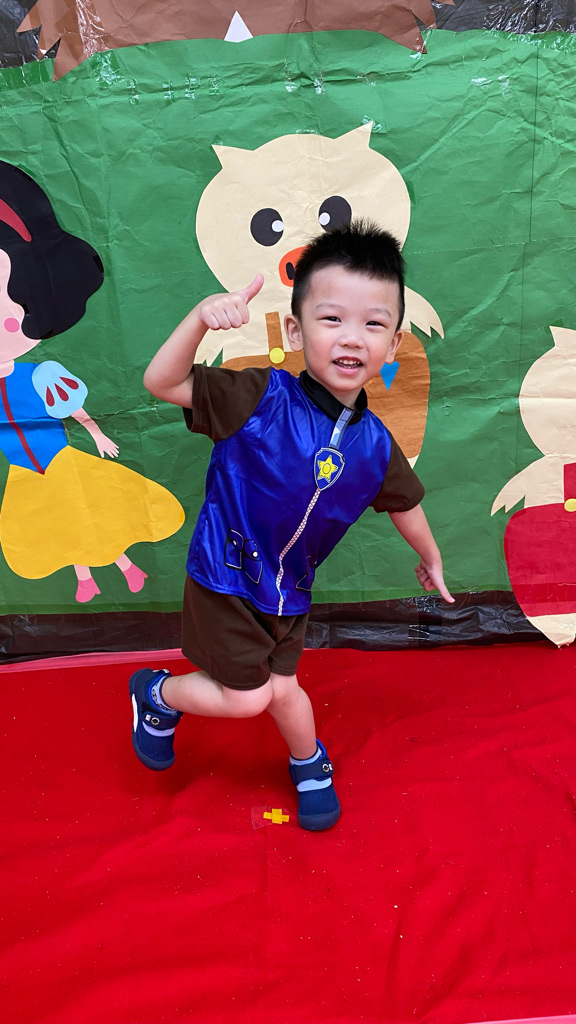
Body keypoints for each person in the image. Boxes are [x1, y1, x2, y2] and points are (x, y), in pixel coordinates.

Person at [131, 220, 453, 831]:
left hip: (289, 591)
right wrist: (199, 319)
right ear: (295, 331)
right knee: (249, 697)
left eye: (373, 324)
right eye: (332, 319)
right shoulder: (259, 397)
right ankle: (156, 693)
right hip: (227, 577)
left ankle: (308, 761)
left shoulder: (375, 444)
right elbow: (161, 382)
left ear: (393, 343)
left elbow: (405, 503)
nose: (352, 337)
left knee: (283, 688)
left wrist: (431, 557)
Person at [0, 160, 184, 602]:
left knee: (94, 513)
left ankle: (127, 566)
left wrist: (97, 434)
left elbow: (70, 407)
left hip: (60, 462)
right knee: (60, 527)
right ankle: (85, 579)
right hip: (26, 475)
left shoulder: (39, 373)